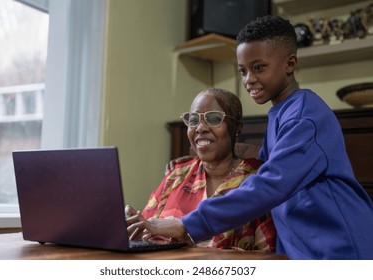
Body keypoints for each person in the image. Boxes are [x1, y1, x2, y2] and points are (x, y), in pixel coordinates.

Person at [127, 15, 373, 260]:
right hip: (305, 252)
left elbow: (270, 184)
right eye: (242, 71)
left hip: (341, 249)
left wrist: (186, 224)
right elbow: (267, 167)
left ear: (290, 64)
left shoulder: (304, 116)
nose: (249, 80)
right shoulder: (281, 113)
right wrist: (197, 164)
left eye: (259, 68)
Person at [126, 87, 276, 252]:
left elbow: (269, 256)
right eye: (193, 120)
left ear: (237, 127)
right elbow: (147, 233)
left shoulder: (257, 180)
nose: (200, 128)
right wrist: (132, 225)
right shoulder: (177, 175)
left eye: (213, 119)